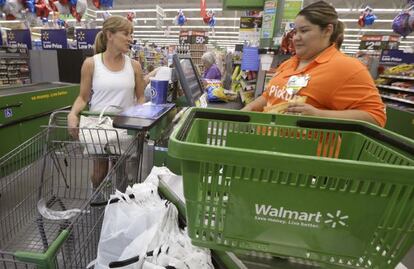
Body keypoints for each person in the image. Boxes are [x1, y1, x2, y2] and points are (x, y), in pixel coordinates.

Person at [243, 0, 386, 127]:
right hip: (268, 144)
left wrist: (319, 115)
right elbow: (269, 96)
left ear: (327, 30)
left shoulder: (347, 67)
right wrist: (248, 109)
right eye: (295, 32)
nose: (295, 38)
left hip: (310, 152)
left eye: (304, 31)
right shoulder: (290, 63)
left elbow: (375, 117)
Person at [67, 15, 146, 189]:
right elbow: (83, 97)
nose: (130, 39)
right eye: (126, 34)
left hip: (125, 127)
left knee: (122, 171)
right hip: (98, 127)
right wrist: (73, 114)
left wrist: (140, 118)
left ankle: (118, 206)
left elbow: (140, 97)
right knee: (99, 171)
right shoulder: (91, 64)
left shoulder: (134, 66)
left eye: (131, 34)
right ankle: (96, 199)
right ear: (110, 35)